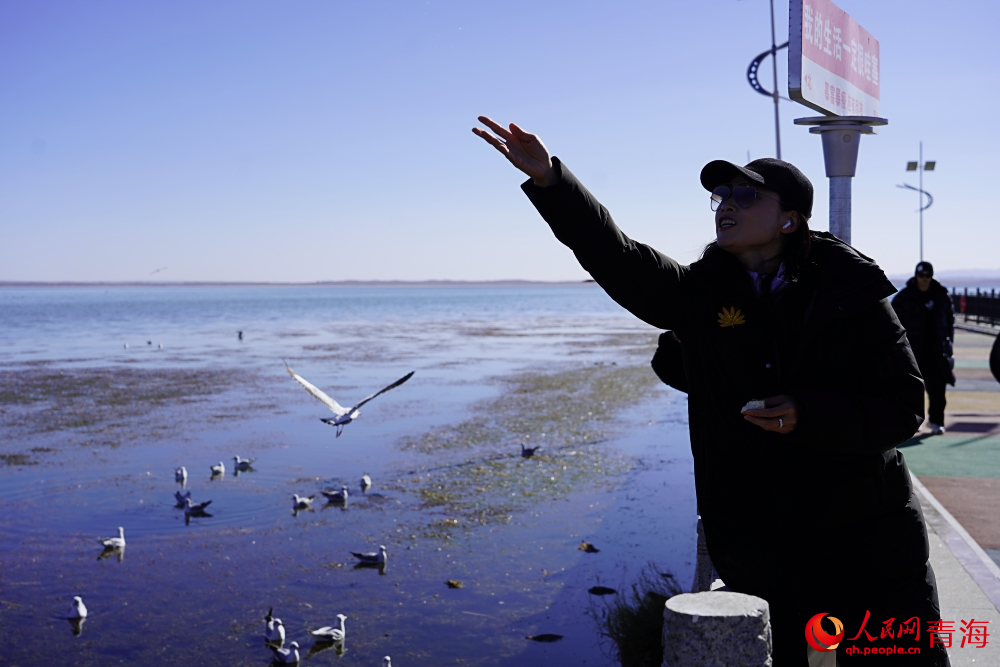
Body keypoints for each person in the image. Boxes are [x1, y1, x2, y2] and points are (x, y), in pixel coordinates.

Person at [472, 117, 949, 666]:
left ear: (790, 219)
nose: (726, 203)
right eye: (721, 194)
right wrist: (554, 183)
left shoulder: (850, 290)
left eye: (746, 194)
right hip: (761, 547)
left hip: (867, 540)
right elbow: (619, 258)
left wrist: (808, 413)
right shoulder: (700, 295)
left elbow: (903, 406)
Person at [891, 262, 956, 435]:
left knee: (938, 389)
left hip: (937, 351)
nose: (924, 279)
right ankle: (914, 421)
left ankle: (937, 421)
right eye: (922, 276)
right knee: (913, 389)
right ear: (916, 276)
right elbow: (893, 322)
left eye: (928, 276)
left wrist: (949, 343)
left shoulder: (941, 295)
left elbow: (950, 320)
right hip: (913, 350)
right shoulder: (905, 297)